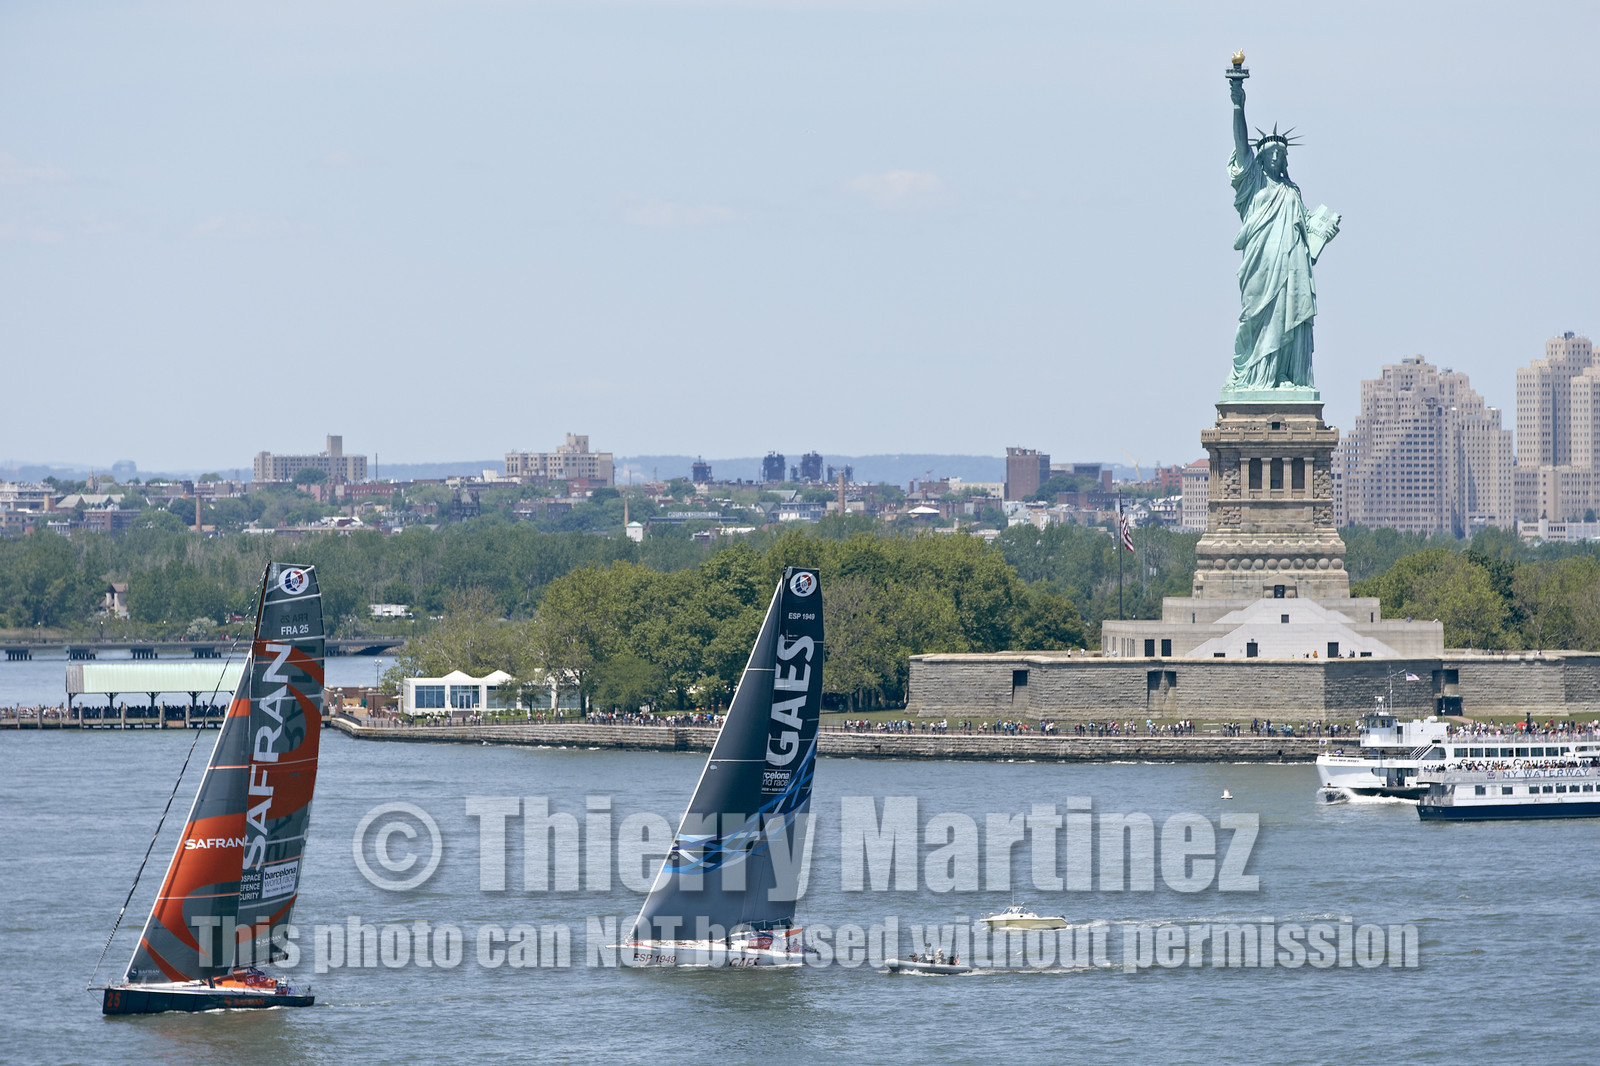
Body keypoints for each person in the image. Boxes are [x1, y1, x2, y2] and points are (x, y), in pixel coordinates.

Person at [1223, 73, 1339, 393]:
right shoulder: (1253, 184)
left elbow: (1306, 229)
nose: (1275, 156)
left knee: (1288, 316)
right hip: (1261, 265)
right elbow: (1240, 144)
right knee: (1256, 318)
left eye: (1280, 153)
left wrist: (1321, 231)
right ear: (1260, 158)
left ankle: (1283, 375)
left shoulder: (1292, 191)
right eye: (1269, 152)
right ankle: (1254, 376)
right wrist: (1238, 103)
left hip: (1291, 267)